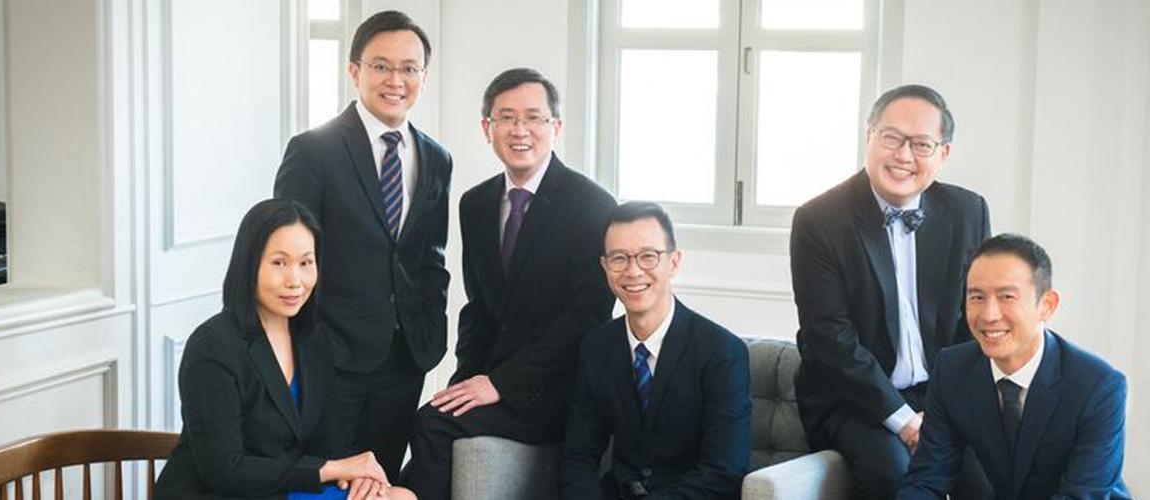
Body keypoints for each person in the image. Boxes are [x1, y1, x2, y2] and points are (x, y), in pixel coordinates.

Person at [400, 67, 616, 500]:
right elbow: (479, 309)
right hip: (497, 381)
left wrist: (500, 383)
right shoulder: (476, 204)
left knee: (431, 425)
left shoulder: (592, 205)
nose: (520, 131)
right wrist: (465, 380)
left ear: (556, 127)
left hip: (560, 389)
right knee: (432, 414)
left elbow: (587, 316)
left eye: (534, 118)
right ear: (487, 128)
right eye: (507, 118)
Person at [790, 84, 992, 497]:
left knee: (988, 475)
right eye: (892, 138)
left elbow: (974, 321)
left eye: (921, 144)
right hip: (852, 399)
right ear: (869, 136)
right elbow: (829, 339)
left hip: (939, 393)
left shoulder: (968, 212)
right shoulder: (819, 220)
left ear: (943, 153)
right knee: (894, 477)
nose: (903, 155)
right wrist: (905, 421)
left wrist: (949, 409)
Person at [274, 10, 452, 478]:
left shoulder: (436, 158)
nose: (396, 80)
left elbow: (431, 258)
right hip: (328, 358)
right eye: (381, 66)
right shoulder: (313, 151)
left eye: (409, 68)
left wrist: (430, 334)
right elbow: (287, 259)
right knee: (326, 483)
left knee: (380, 480)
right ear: (354, 71)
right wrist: (299, 348)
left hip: (405, 358)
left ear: (424, 77)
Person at [154, 199, 415, 500]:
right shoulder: (211, 346)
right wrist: (330, 470)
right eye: (279, 263)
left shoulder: (313, 338)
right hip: (221, 493)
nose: (295, 281)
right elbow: (224, 471)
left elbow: (330, 442)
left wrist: (356, 475)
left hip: (283, 487)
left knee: (398, 497)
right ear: (249, 265)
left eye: (306, 263)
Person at [899, 233, 1130, 499]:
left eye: (1007, 296)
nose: (989, 315)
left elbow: (1082, 496)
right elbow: (928, 478)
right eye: (977, 297)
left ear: (1047, 305)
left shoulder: (1098, 386)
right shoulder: (952, 369)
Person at [560, 201, 751, 499]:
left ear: (674, 262)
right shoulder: (597, 346)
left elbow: (722, 472)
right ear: (605, 267)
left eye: (648, 256)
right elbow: (579, 455)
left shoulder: (722, 352)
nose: (633, 271)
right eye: (619, 258)